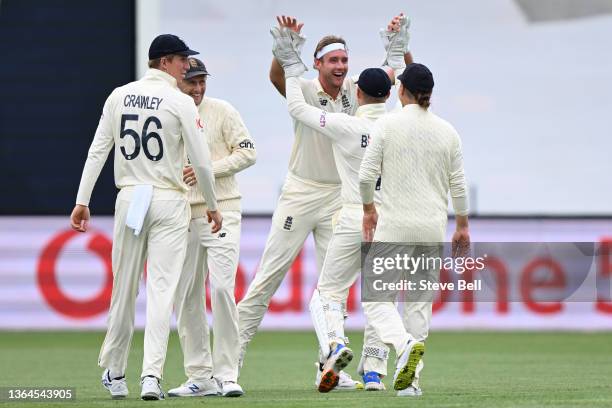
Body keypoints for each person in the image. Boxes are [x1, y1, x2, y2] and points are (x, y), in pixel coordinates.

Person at [237, 13, 411, 391]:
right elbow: (277, 78)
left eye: (344, 61)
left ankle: (328, 363)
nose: (340, 67)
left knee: (334, 290)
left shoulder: (355, 89)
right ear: (317, 63)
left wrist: (397, 44)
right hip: (301, 191)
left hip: (341, 198)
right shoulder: (302, 86)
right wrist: (281, 50)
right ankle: (225, 367)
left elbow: (390, 77)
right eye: (333, 61)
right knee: (267, 279)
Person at [70, 34, 222, 401]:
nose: (187, 66)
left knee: (123, 290)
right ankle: (151, 377)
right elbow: (201, 160)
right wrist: (213, 204)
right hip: (170, 200)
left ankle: (117, 373)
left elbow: (98, 150)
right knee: (161, 292)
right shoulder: (180, 101)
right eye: (183, 60)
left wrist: (82, 200)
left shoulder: (118, 95)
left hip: (131, 198)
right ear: (165, 61)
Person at [359, 63, 470, 396]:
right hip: (431, 229)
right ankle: (411, 383)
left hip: (394, 226)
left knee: (377, 299)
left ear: (401, 90)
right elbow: (459, 184)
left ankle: (403, 343)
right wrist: (462, 225)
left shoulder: (387, 125)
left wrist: (368, 210)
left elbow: (365, 178)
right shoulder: (448, 131)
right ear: (430, 94)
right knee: (420, 304)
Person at [167, 58, 256, 398]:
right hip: (181, 214)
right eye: (192, 82)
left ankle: (227, 374)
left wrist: (208, 170)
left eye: (202, 81)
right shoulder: (168, 113)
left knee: (221, 289)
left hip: (224, 209)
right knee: (186, 294)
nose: (198, 89)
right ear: (177, 82)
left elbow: (248, 153)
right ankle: (200, 376)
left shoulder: (222, 111)